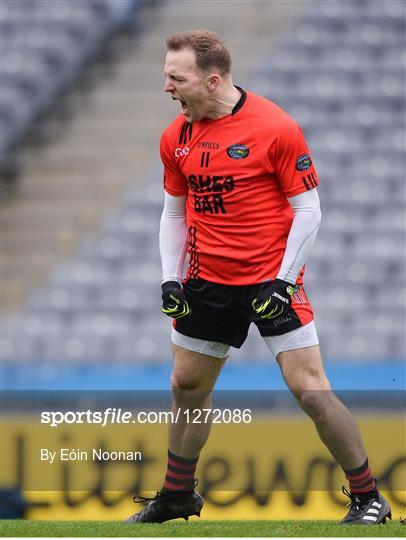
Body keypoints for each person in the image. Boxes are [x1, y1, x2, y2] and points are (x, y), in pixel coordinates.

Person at [126, 30, 391, 526]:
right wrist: (170, 278)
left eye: (175, 78)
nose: (166, 87)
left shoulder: (275, 127)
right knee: (186, 384)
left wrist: (284, 282)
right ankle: (178, 493)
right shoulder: (175, 137)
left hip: (271, 279)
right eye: (165, 76)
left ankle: (368, 497)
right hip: (208, 281)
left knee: (309, 388)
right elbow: (173, 213)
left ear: (212, 79)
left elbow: (309, 210)